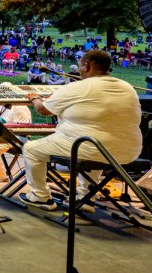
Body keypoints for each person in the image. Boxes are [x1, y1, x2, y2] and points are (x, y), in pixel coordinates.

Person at [18, 50, 142, 210]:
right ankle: (85, 197)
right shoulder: (127, 87)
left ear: (86, 66)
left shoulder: (78, 87)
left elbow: (43, 110)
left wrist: (34, 97)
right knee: (93, 144)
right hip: (129, 151)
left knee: (30, 149)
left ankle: (40, 196)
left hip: (92, 148)